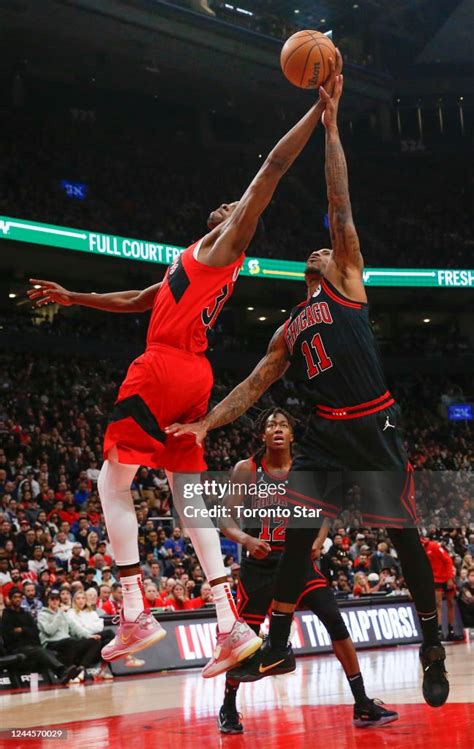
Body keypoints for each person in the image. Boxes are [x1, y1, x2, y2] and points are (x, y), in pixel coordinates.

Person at [27, 54, 342, 678]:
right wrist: (74, 297)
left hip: (166, 366)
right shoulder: (188, 260)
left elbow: (271, 172)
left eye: (238, 209)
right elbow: (138, 299)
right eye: (229, 206)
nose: (233, 206)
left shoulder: (226, 248)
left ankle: (134, 610)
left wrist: (318, 109)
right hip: (192, 375)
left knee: (111, 485)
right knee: (184, 493)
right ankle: (227, 624)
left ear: (238, 230)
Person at [166, 75, 448, 707]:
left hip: (373, 425)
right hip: (322, 431)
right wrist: (209, 423)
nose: (326, 246)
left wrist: (332, 126)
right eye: (317, 249)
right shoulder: (290, 327)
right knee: (297, 529)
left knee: (404, 536)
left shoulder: (349, 279)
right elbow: (254, 383)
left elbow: (339, 200)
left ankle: (431, 642)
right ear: (306, 272)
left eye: (330, 245)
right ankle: (281, 642)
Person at [215, 408, 397, 733]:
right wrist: (245, 538)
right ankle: (228, 706)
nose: (278, 429)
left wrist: (321, 536)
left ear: (293, 434)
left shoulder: (306, 470)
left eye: (284, 424)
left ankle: (362, 702)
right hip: (260, 565)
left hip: (299, 561)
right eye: (271, 425)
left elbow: (326, 512)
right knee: (245, 640)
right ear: (263, 435)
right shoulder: (247, 469)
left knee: (336, 624)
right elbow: (225, 519)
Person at [2, 588, 82, 684]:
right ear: (10, 599)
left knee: (45, 651)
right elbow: (8, 635)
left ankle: (64, 673)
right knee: (39, 651)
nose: (18, 599)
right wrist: (26, 630)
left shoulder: (26, 614)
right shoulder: (6, 615)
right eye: (15, 597)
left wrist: (22, 630)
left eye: (19, 597)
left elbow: (35, 631)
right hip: (15, 648)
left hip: (31, 645)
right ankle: (62, 671)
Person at [66, 590, 114, 680]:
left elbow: (99, 626)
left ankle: (101, 669)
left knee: (107, 641)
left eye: (83, 598)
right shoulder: (71, 613)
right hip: (79, 641)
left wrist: (87, 627)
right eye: (78, 598)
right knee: (108, 634)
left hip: (93, 639)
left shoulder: (92, 613)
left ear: (86, 600)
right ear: (74, 600)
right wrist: (90, 631)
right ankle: (82, 669)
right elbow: (77, 630)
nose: (81, 601)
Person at [422, 537, 463, 642]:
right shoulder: (420, 551)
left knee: (450, 603)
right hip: (436, 580)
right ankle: (439, 631)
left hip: (446, 577)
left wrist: (449, 578)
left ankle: (451, 631)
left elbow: (448, 561)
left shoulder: (434, 546)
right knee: (438, 604)